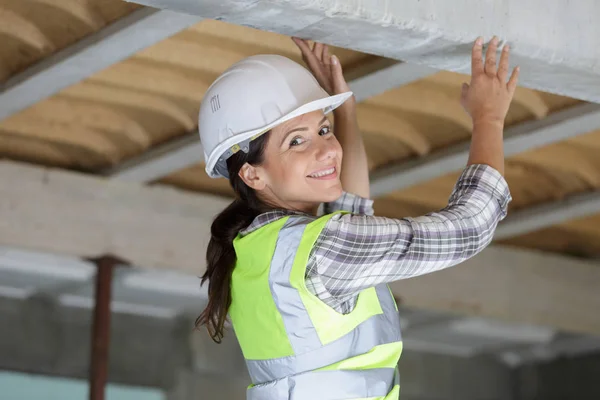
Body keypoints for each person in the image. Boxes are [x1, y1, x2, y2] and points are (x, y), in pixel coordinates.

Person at [196, 36, 518, 400]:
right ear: (252, 174)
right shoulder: (312, 248)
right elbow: (469, 226)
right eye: (296, 142)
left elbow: (351, 215)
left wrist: (343, 111)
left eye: (323, 130)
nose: (328, 151)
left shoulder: (258, 253)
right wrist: (489, 118)